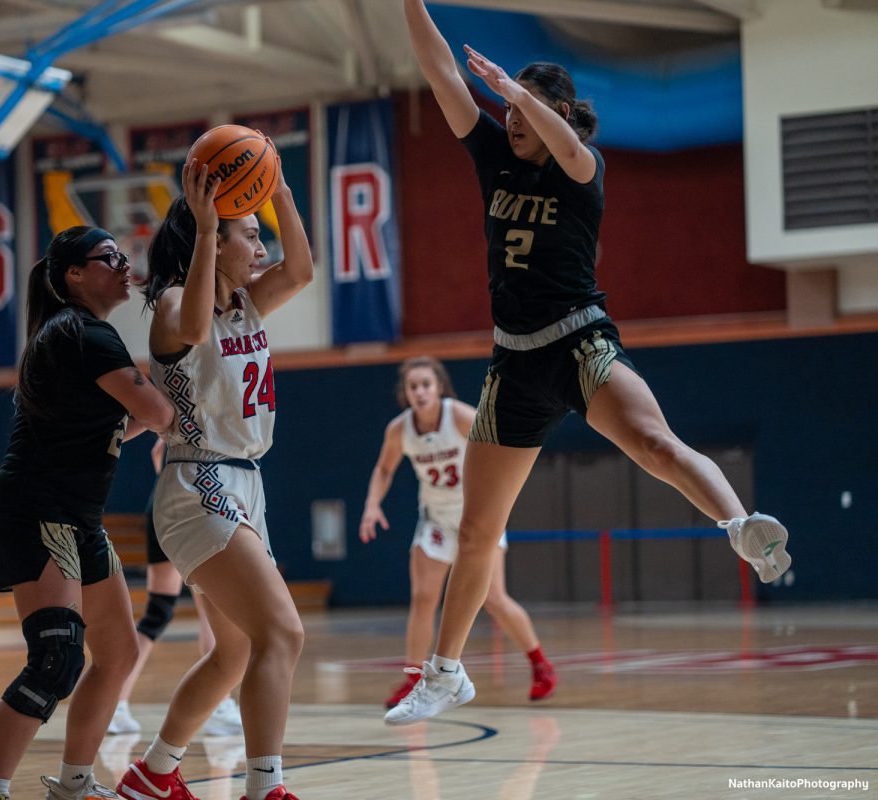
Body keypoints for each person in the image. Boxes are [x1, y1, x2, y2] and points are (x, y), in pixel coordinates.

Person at [387, 0, 792, 726]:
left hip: (579, 343)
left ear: (564, 113)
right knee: (476, 532)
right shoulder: (492, 154)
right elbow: (441, 71)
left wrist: (515, 93)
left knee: (654, 443)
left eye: (532, 106)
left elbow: (560, 140)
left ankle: (742, 527)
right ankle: (445, 674)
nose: (512, 117)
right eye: (511, 105)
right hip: (512, 365)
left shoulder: (583, 167)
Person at [115, 148, 314, 800]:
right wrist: (204, 228)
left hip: (241, 483)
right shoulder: (173, 302)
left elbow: (304, 270)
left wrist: (278, 186)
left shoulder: (248, 304)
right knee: (282, 632)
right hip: (200, 483)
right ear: (215, 236)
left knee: (233, 653)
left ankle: (153, 773)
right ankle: (265, 787)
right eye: (248, 232)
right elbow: (194, 327)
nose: (261, 243)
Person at [0, 226, 176, 800]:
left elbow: (127, 422)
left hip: (77, 514)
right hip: (37, 506)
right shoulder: (83, 333)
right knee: (55, 660)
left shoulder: (77, 333)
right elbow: (159, 411)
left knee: (120, 652)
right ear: (75, 274)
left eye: (126, 257)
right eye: (110, 259)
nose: (125, 266)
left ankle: (75, 783)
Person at [360, 356, 556, 708]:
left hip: (477, 516)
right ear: (405, 393)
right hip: (435, 520)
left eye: (425, 385)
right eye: (413, 386)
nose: (419, 392)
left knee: (494, 600)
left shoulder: (461, 416)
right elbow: (384, 469)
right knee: (423, 600)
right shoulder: (399, 429)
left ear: (438, 388)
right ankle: (414, 680)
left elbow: (499, 447)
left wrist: (499, 495)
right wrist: (372, 505)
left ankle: (541, 665)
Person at [109, 436, 243, 739]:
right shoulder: (210, 415)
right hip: (192, 505)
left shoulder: (175, 415)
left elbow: (158, 450)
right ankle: (218, 705)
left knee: (158, 612)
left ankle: (115, 704)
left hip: (160, 503)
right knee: (214, 608)